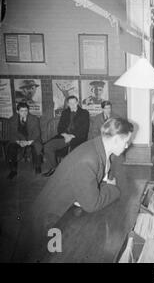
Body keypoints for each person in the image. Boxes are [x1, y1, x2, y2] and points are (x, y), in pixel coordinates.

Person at [14, 117, 134, 262]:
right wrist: (114, 190)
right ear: (115, 140)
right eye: (126, 141)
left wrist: (101, 189)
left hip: (61, 214)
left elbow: (92, 186)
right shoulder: (89, 159)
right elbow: (91, 204)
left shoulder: (97, 147)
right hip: (49, 223)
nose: (127, 145)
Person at [43, 95, 89, 177]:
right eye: (70, 103)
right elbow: (60, 127)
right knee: (47, 146)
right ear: (67, 104)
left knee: (72, 154)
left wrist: (71, 136)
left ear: (77, 102)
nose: (72, 105)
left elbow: (84, 129)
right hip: (64, 137)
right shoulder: (65, 112)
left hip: (77, 138)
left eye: (74, 103)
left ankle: (71, 173)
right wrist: (65, 135)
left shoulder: (84, 113)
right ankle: (54, 168)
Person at [7, 102, 42, 178]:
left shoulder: (34, 118)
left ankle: (37, 167)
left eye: (26, 110)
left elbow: (37, 133)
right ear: (17, 111)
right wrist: (18, 142)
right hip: (19, 140)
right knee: (11, 147)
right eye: (22, 111)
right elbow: (12, 133)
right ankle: (13, 170)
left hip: (32, 139)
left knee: (36, 146)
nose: (24, 113)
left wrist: (28, 142)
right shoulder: (13, 119)